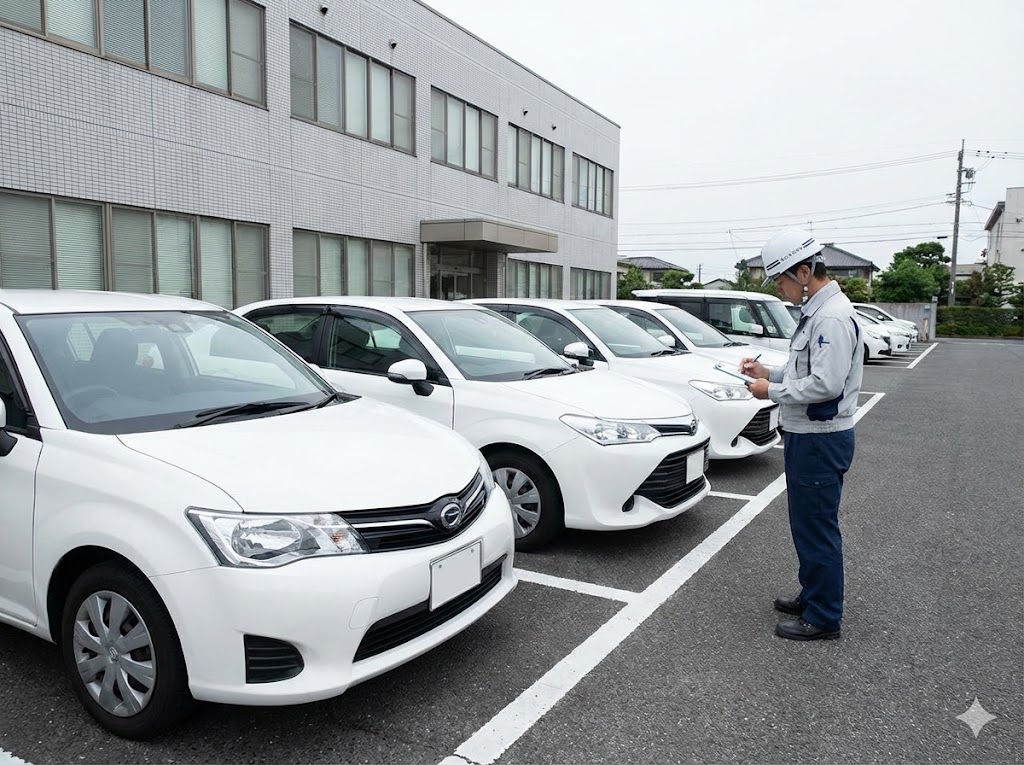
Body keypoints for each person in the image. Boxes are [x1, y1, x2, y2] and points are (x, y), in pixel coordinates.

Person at [740, 229, 863, 641]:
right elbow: (807, 372)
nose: (780, 288)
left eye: (781, 280)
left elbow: (826, 385)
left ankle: (824, 616)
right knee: (807, 524)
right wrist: (768, 373)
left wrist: (770, 391)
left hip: (819, 439)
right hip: (810, 435)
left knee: (816, 528)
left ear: (805, 273)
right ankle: (813, 596)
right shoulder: (820, 313)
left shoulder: (830, 317)